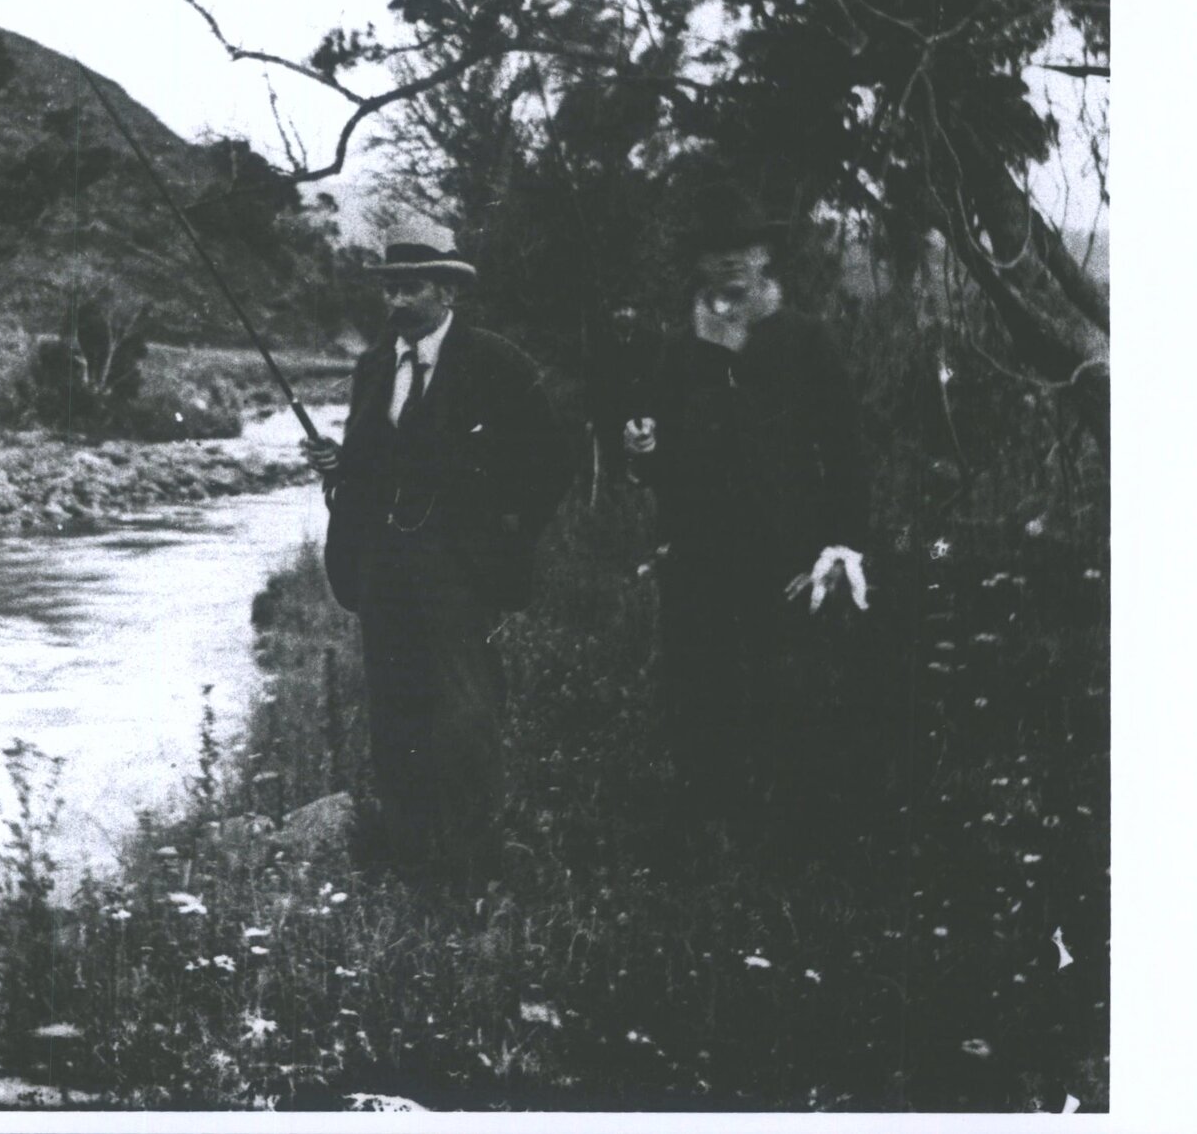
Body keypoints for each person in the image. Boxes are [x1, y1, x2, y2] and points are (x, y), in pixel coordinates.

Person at [305, 214, 571, 886]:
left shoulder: (495, 363)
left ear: (446, 293)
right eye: (389, 288)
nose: (395, 301)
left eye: (410, 288)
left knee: (464, 712)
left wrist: (506, 543)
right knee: (395, 707)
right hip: (383, 566)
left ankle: (471, 862)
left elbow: (549, 463)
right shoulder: (372, 368)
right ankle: (408, 854)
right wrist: (338, 464)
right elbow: (366, 466)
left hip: (459, 568)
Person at [620, 184, 884, 853]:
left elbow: (846, 451)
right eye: (717, 254)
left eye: (744, 249)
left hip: (786, 554)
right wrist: (642, 450)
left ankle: (790, 838)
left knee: (784, 690)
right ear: (700, 265)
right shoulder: (678, 351)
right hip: (698, 556)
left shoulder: (803, 340)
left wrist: (840, 548)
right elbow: (655, 460)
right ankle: (709, 830)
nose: (732, 263)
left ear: (765, 257)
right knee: (699, 692)